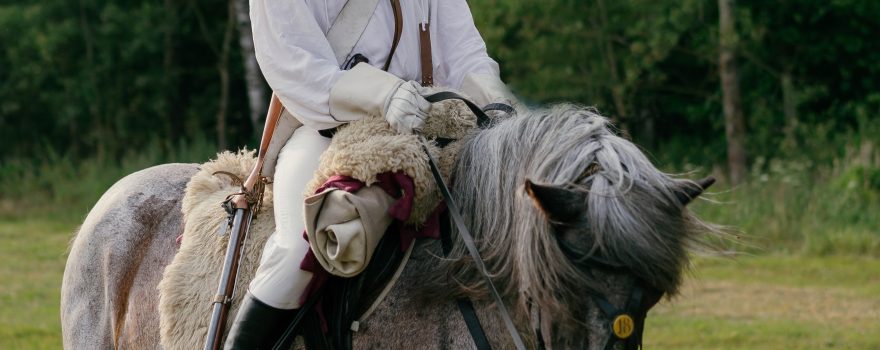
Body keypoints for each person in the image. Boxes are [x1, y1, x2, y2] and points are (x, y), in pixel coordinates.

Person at [224, 0, 514, 348]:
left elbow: (465, 51)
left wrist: (499, 106)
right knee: (296, 249)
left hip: (426, 121)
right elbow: (293, 62)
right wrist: (381, 94)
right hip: (324, 127)